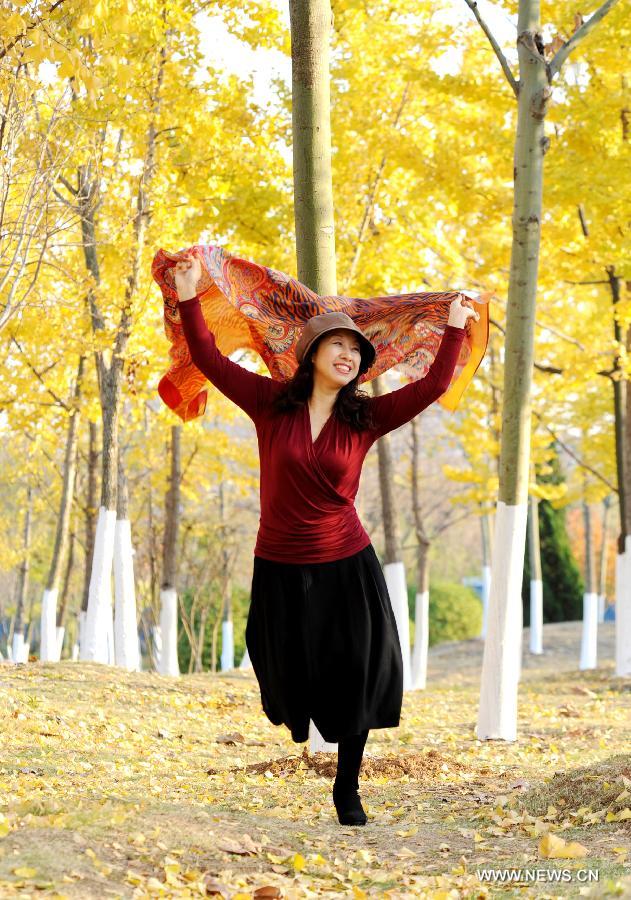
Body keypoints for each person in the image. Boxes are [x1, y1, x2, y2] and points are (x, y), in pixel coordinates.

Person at [173, 251, 478, 826]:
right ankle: (300, 718)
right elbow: (210, 359)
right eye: (338, 345)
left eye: (357, 351)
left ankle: (348, 787)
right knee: (279, 675)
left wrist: (456, 325)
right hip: (279, 563)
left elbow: (437, 382)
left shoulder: (365, 420)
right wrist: (190, 293)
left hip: (346, 563)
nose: (349, 355)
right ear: (312, 352)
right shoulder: (269, 405)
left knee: (356, 671)